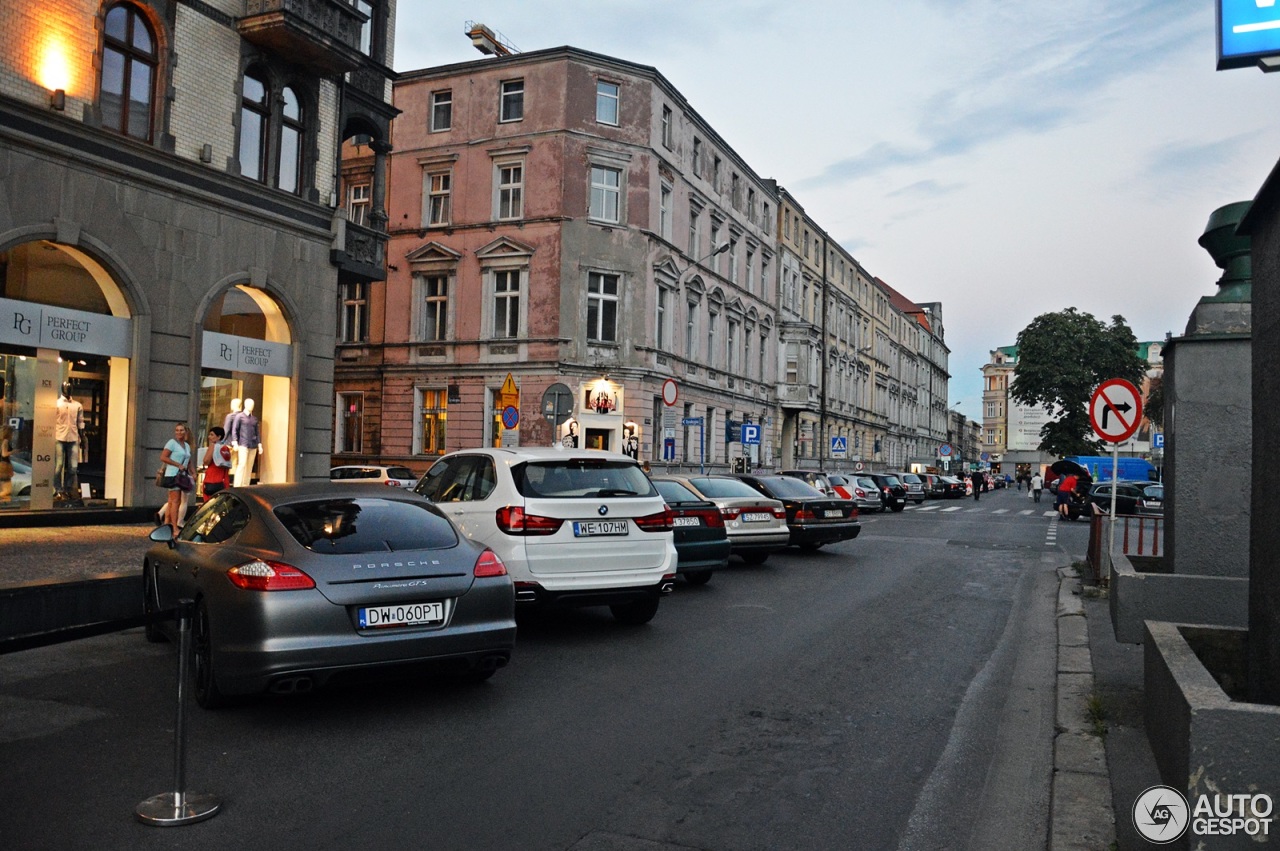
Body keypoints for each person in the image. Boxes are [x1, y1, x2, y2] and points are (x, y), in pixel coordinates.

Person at [160, 422, 195, 532]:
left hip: (182, 475)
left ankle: (167, 524)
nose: (179, 432)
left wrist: (193, 473)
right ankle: (174, 527)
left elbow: (189, 461)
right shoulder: (172, 443)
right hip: (173, 474)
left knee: (171, 501)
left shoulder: (187, 445)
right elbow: (163, 457)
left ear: (185, 432)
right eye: (177, 430)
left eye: (181, 430)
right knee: (176, 501)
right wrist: (177, 464)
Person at [55, 382, 84, 499]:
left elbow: (80, 421)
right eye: (67, 388)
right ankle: (57, 489)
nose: (68, 391)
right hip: (59, 437)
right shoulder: (56, 404)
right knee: (59, 465)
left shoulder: (77, 405)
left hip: (73, 437)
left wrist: (82, 435)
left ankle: (67, 489)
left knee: (73, 467)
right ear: (62, 389)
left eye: (70, 389)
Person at [199, 426, 232, 501]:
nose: (209, 437)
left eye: (212, 435)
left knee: (209, 503)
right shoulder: (225, 448)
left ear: (219, 437)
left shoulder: (213, 446)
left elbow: (206, 461)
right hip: (224, 480)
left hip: (211, 479)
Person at [0, 424, 13, 504]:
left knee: (4, 488)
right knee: (7, 490)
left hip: (2, 465)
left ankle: (5, 505)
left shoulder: (1, 441)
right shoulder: (5, 441)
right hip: (5, 465)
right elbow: (4, 454)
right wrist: (14, 451)